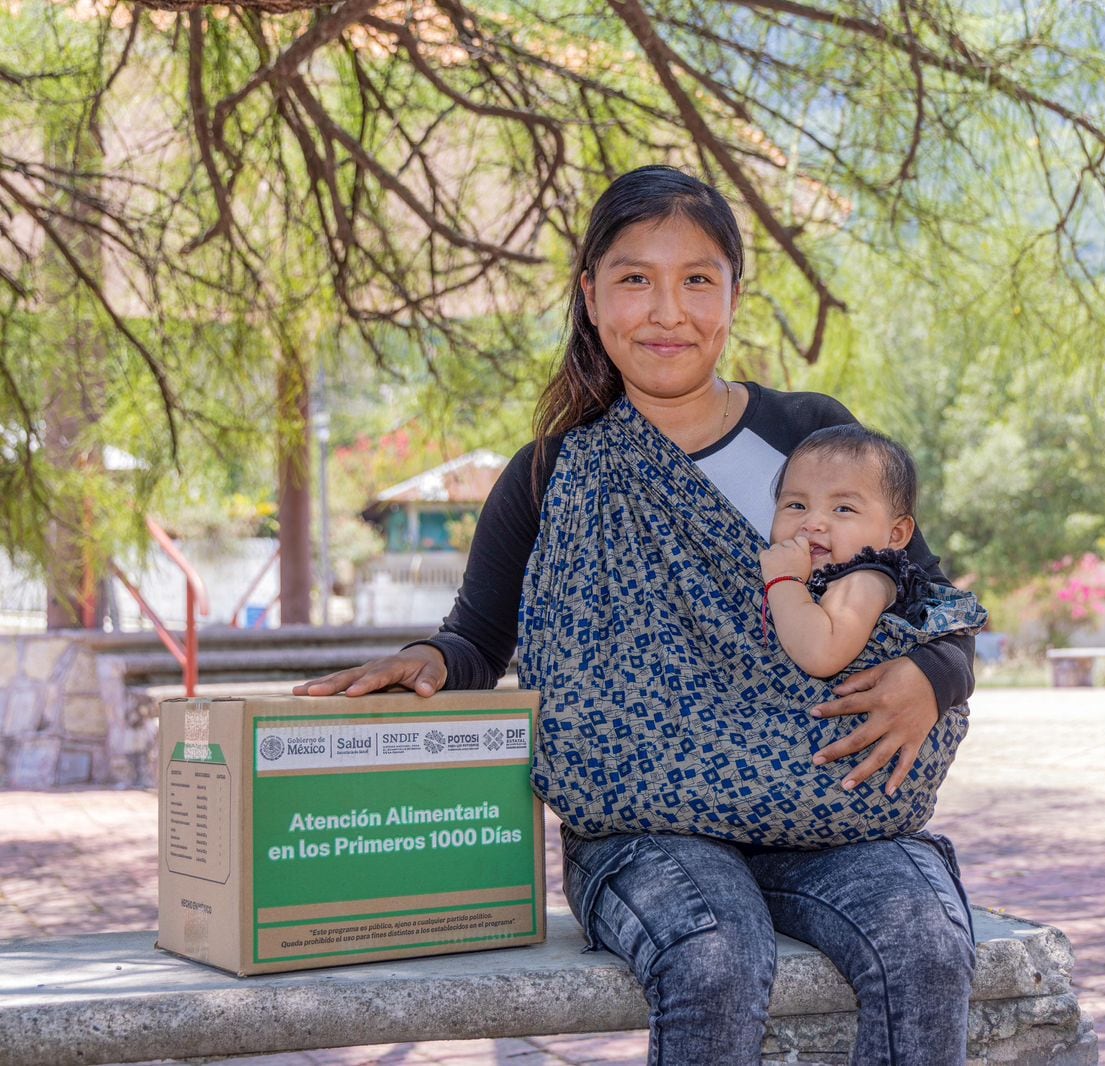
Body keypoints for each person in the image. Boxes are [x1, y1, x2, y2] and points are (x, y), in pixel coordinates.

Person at [294, 165, 976, 1065]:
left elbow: (934, 606)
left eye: (697, 278)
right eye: (634, 279)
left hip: (829, 808)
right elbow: (479, 638)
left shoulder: (810, 438)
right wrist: (431, 658)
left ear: (736, 291)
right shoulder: (551, 473)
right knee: (716, 955)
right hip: (645, 828)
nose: (667, 311)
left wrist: (934, 677)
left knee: (925, 941)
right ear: (590, 295)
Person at [761, 424, 965, 684]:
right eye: (796, 505)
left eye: (843, 509)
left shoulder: (867, 581)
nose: (812, 522)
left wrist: (784, 580)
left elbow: (820, 654)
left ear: (896, 535)